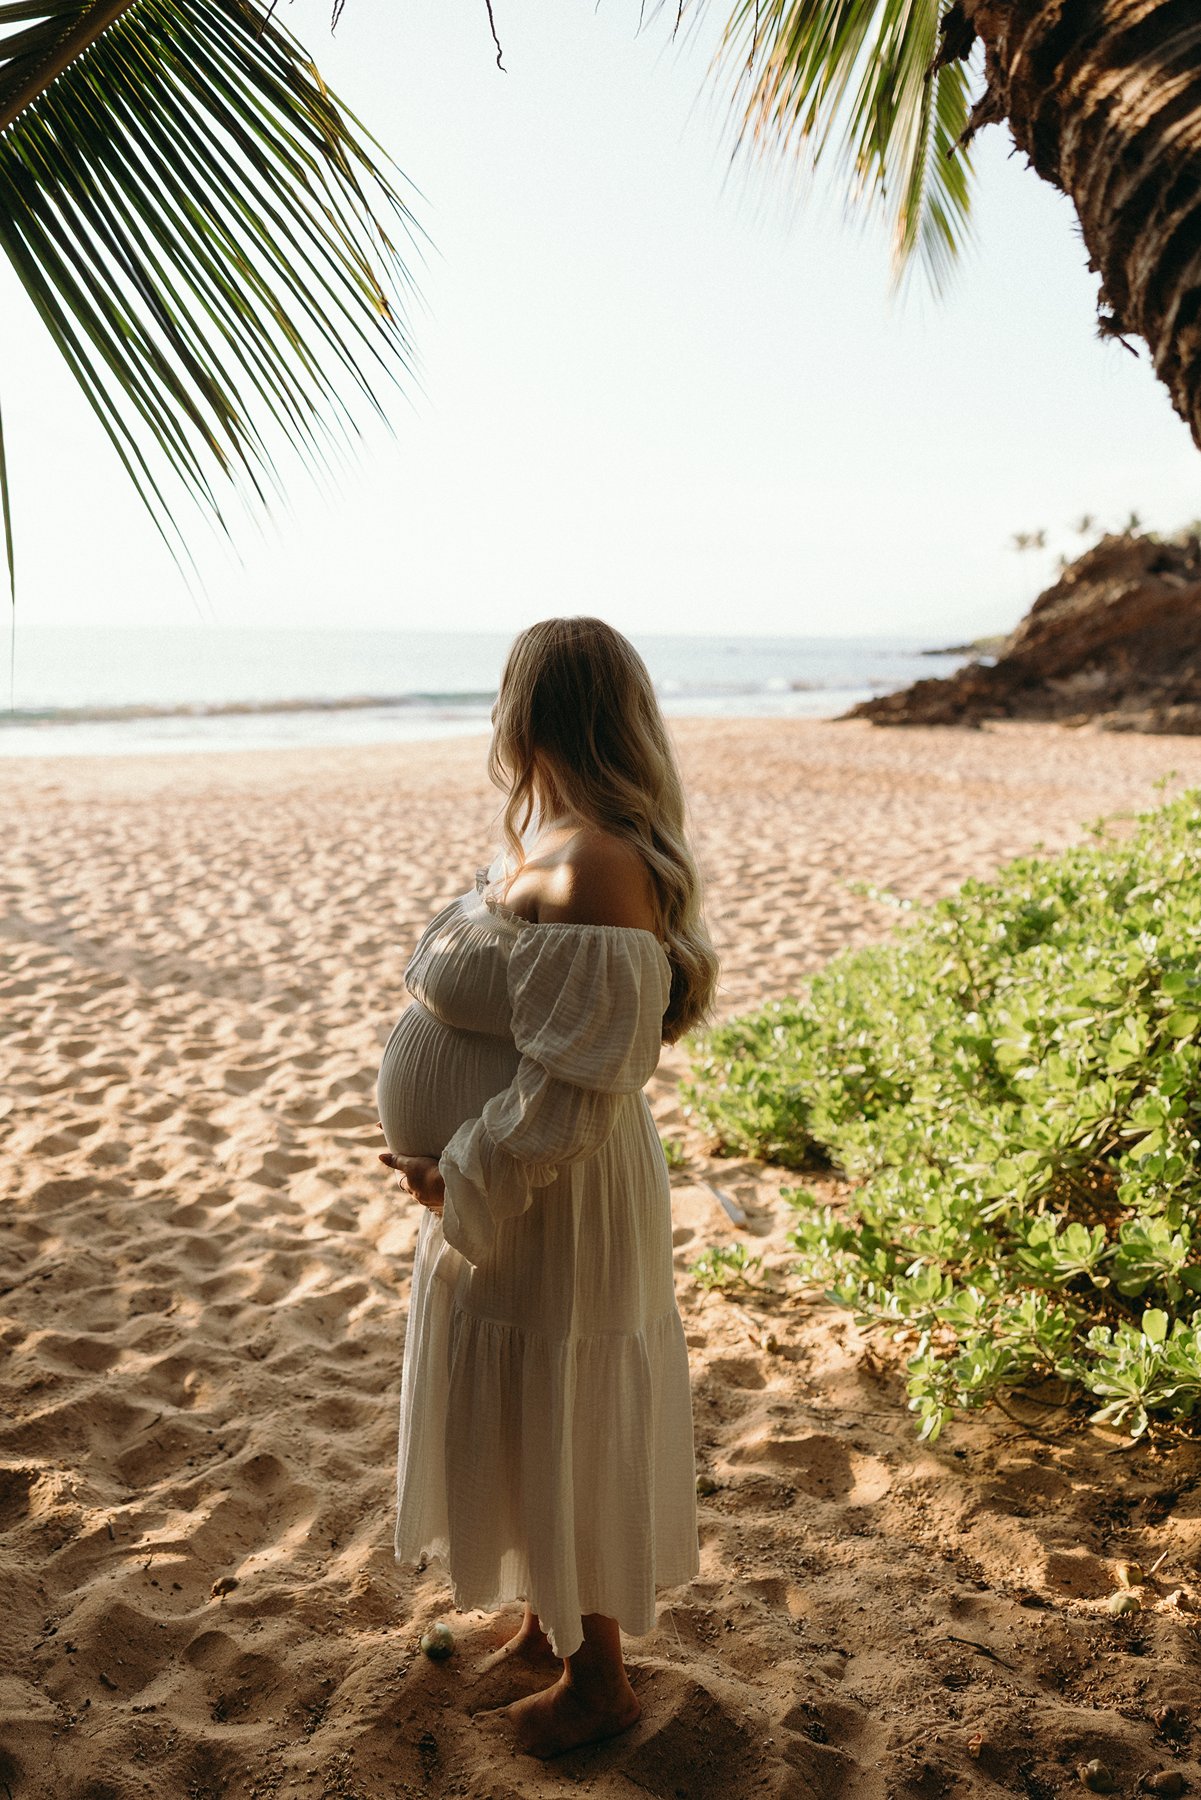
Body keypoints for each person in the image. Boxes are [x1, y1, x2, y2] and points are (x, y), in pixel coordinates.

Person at [376, 616, 719, 1759]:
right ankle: (548, 1621)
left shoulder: (599, 864)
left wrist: (459, 1169)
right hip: (516, 1195)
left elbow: (579, 1085)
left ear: (530, 713)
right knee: (527, 1410)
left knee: (564, 1405)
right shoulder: (550, 841)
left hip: (552, 1193)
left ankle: (600, 1682)